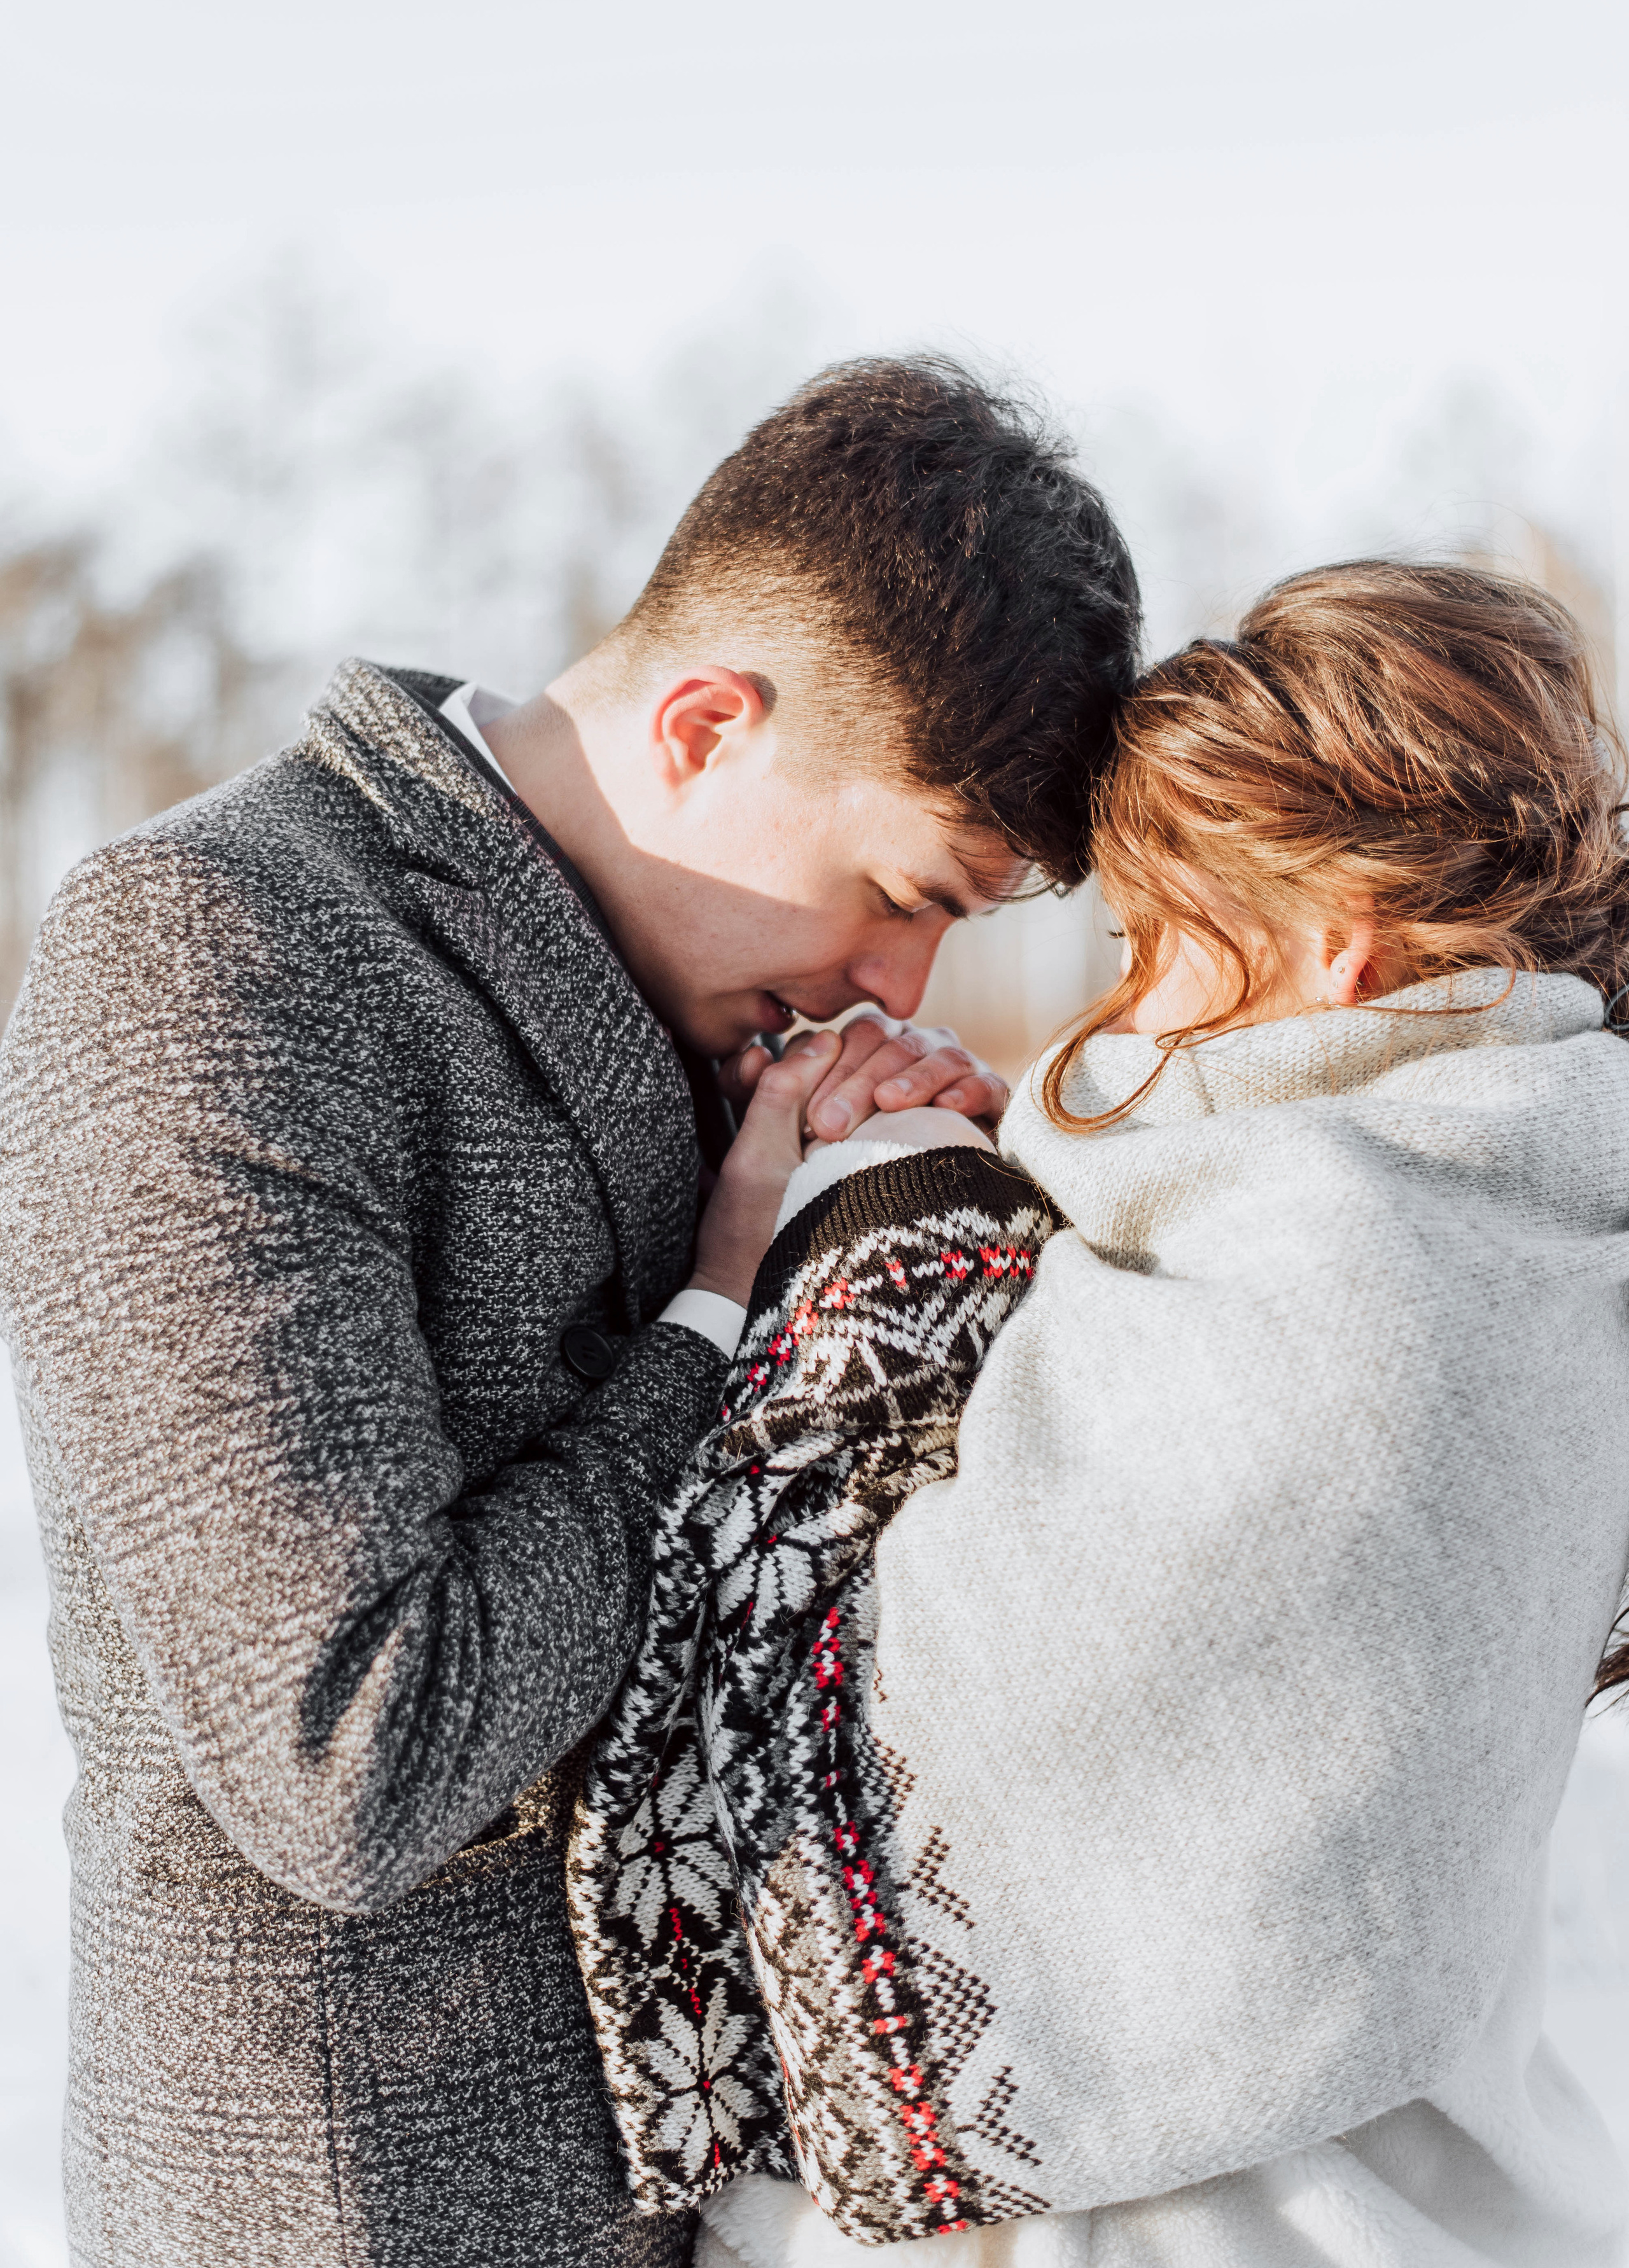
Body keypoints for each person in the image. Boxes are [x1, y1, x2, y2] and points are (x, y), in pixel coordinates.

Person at [0, 358, 1142, 2268]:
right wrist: (720, 1302)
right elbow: (355, 1753)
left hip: (725, 2195)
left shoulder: (728, 1019)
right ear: (704, 722)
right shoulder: (216, 942)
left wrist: (901, 1224)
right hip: (373, 2204)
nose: (895, 977)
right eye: (897, 891)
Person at [568, 559, 1629, 2268]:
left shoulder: (1361, 1266)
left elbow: (924, 1712)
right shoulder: (1549, 1226)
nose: (1120, 1009)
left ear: (1329, 940)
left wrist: (869, 1212)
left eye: (1152, 942)